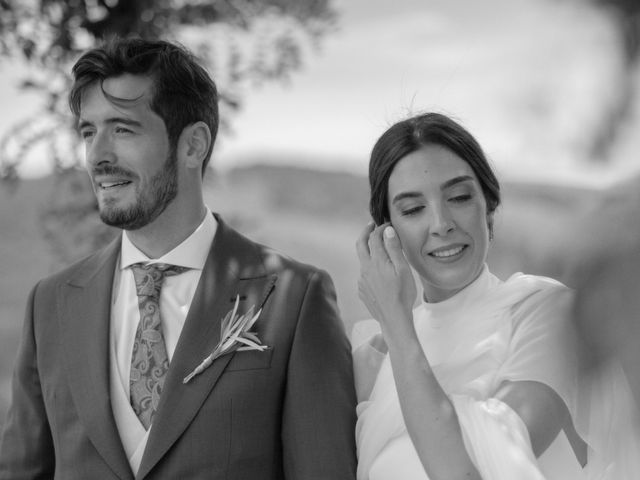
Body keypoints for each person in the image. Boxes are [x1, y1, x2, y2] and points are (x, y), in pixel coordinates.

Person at [0, 38, 357, 479]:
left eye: (123, 129)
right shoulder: (51, 304)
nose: (98, 156)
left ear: (192, 146)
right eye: (89, 132)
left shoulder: (294, 298)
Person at [352, 112, 636, 479]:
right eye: (413, 209)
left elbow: (466, 472)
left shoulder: (543, 314)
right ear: (386, 233)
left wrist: (397, 324)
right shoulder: (369, 361)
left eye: (458, 197)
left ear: (488, 209)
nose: (441, 224)